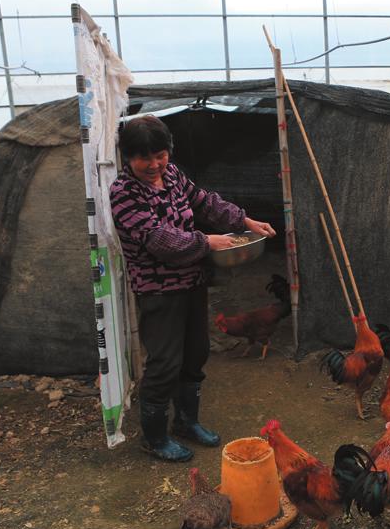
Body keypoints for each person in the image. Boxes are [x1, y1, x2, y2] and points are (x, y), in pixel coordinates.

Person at [110, 115, 276, 462]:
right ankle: (154, 438)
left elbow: (205, 202)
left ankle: (187, 422)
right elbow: (159, 240)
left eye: (160, 154)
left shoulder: (172, 176)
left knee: (196, 353)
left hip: (192, 282)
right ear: (128, 157)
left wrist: (244, 221)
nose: (155, 164)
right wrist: (209, 242)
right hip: (158, 290)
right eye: (145, 158)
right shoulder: (124, 193)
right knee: (164, 362)